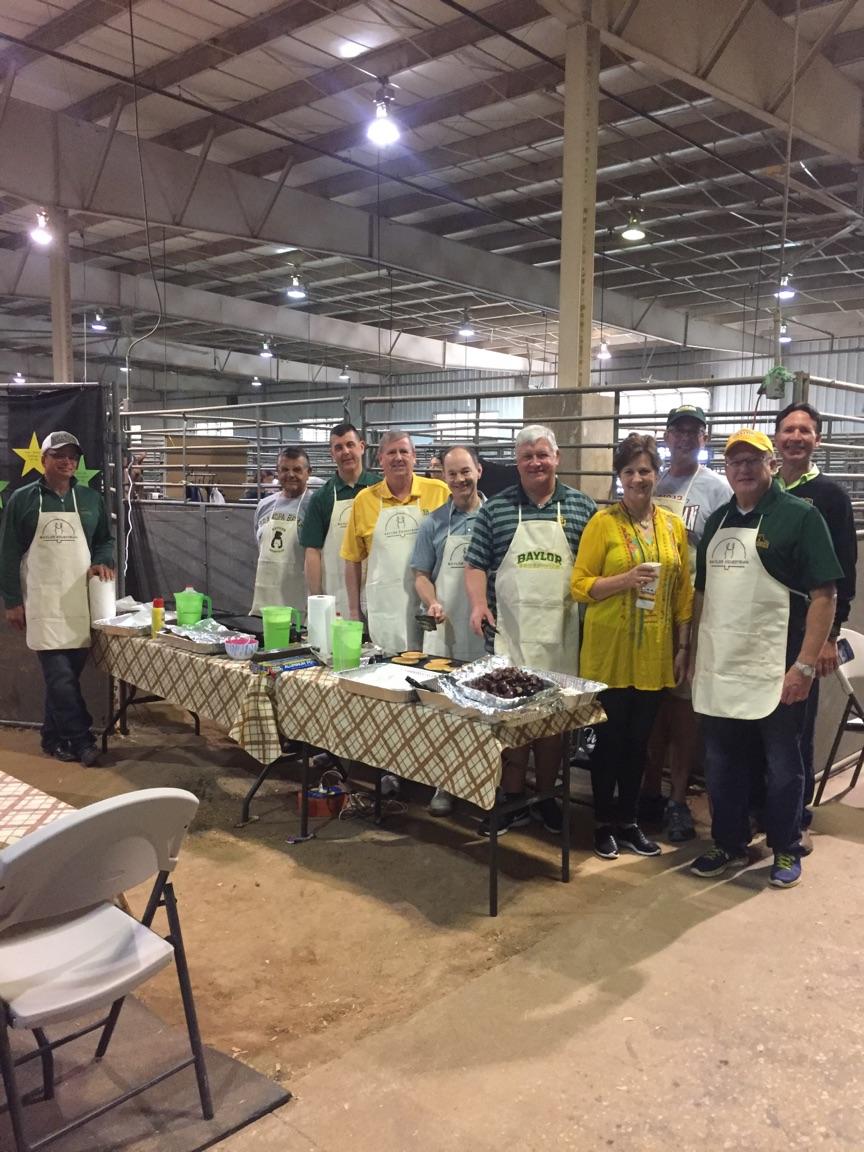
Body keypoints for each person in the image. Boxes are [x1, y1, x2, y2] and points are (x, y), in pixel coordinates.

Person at [689, 429, 843, 889]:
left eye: (753, 460)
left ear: (770, 465)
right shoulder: (718, 521)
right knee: (722, 762)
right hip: (723, 666)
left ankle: (786, 845)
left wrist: (804, 665)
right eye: (735, 461)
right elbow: (704, 597)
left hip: (777, 666)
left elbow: (824, 596)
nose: (743, 469)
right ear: (726, 469)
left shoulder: (799, 517)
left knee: (782, 765)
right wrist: (694, 654)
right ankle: (728, 841)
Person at [465, 425, 596, 836]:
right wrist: (479, 603)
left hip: (562, 636)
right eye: (527, 457)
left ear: (557, 458)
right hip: (510, 635)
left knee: (554, 726)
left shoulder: (582, 508)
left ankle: (546, 798)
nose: (536, 463)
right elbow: (475, 563)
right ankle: (512, 796)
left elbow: (594, 570)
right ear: (517, 462)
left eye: (543, 455)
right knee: (512, 722)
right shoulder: (496, 510)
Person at [572, 434, 693, 860]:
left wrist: (683, 646)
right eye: (629, 471)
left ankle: (629, 821)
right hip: (610, 651)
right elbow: (579, 585)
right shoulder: (602, 524)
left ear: (657, 474)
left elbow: (683, 591)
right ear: (619, 477)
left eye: (645, 470)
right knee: (609, 741)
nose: (638, 478)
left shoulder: (672, 526)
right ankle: (602, 823)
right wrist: (624, 580)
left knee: (640, 743)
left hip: (654, 652)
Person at [642, 405, 732, 841]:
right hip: (646, 610)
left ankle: (677, 800)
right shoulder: (651, 481)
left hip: (691, 611)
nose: (683, 437)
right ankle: (648, 792)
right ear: (666, 436)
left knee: (682, 711)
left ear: (703, 439)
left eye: (692, 431)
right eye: (677, 430)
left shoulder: (717, 489)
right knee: (651, 707)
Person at [0, 431, 115, 767]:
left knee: (65, 678)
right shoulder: (23, 499)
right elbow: (8, 552)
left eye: (73, 456)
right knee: (60, 677)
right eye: (59, 455)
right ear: (43, 460)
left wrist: (102, 561)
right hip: (42, 601)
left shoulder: (90, 499)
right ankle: (82, 740)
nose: (68, 462)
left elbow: (104, 540)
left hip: (80, 603)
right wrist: (12, 601)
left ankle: (52, 737)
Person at [774, 401, 857, 839]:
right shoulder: (764, 488)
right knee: (766, 723)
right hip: (765, 626)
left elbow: (844, 571)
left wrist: (829, 637)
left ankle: (797, 817)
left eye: (804, 431)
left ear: (817, 440)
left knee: (798, 725)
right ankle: (766, 808)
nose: (796, 438)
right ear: (776, 437)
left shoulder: (830, 496)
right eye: (789, 429)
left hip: (808, 630)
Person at [410, 444, 488, 816]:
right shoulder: (433, 523)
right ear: (443, 476)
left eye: (465, 471)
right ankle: (444, 782)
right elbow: (420, 575)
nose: (459, 480)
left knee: (484, 709)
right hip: (446, 630)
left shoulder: (496, 517)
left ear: (479, 471)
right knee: (445, 709)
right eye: (451, 473)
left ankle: (483, 783)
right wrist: (432, 601)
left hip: (487, 630)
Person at [341, 429, 449, 652]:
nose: (398, 458)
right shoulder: (364, 500)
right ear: (380, 459)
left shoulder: (439, 492)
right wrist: (354, 611)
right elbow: (352, 559)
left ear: (414, 456)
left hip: (434, 605)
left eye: (404, 451)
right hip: (386, 608)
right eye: (391, 453)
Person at [300, 423, 377, 618]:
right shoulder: (321, 498)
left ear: (362, 447)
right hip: (336, 593)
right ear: (332, 454)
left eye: (350, 445)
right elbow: (312, 551)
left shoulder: (380, 488)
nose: (346, 452)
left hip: (377, 590)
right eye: (339, 447)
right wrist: (317, 600)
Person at [250, 447, 311, 616]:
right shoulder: (264, 506)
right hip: (266, 599)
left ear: (308, 473)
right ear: (277, 472)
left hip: (301, 601)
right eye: (284, 469)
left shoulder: (315, 505)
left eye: (297, 469)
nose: (290, 475)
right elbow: (259, 545)